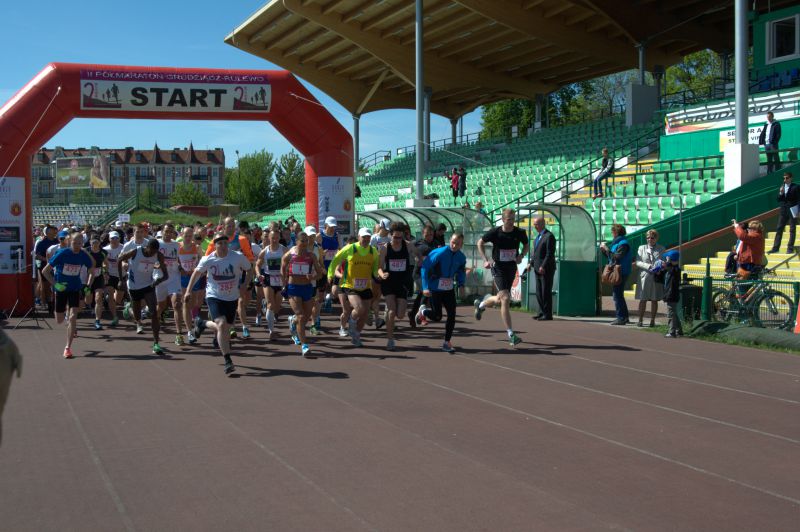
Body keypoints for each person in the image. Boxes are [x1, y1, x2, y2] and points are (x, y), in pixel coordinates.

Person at [187, 233, 252, 375]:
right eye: (220, 243)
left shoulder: (237, 256)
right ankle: (228, 360)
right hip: (214, 296)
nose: (223, 246)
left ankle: (202, 324)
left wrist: (245, 284)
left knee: (225, 329)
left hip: (232, 297)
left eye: (225, 243)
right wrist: (188, 291)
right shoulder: (208, 259)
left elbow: (249, 269)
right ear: (214, 245)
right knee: (222, 325)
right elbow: (196, 273)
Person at [474, 208, 529, 345]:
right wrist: (485, 260)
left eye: (513, 219)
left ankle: (481, 304)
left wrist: (521, 255)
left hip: (511, 268)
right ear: (503, 219)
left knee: (500, 299)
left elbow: (526, 245)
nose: (511, 222)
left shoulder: (520, 232)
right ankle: (511, 334)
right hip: (498, 267)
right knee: (505, 298)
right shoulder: (495, 232)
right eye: (509, 219)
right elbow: (480, 243)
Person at [41, 231, 95, 358]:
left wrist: (88, 285)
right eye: (75, 243)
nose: (77, 246)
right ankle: (65, 316)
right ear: (70, 242)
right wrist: (55, 285)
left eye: (80, 243)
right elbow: (45, 271)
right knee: (59, 320)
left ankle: (67, 348)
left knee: (73, 317)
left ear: (82, 243)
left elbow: (92, 270)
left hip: (75, 288)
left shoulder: (83, 255)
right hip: (61, 289)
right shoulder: (62, 253)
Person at [327, 227, 380, 347]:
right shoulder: (350, 248)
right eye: (364, 237)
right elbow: (335, 260)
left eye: (368, 237)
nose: (366, 239)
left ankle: (356, 335)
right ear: (359, 237)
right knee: (359, 308)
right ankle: (351, 321)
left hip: (366, 286)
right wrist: (330, 274)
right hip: (350, 285)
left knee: (365, 314)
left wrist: (379, 275)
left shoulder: (373, 251)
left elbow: (375, 269)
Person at [205, 217, 255, 339]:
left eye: (233, 225)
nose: (231, 228)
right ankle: (217, 332)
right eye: (229, 226)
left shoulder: (242, 240)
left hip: (236, 277)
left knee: (237, 302)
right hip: (218, 279)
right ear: (223, 226)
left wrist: (245, 268)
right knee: (218, 307)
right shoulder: (216, 240)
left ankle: (231, 327)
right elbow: (207, 258)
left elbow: (250, 258)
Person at [417, 232, 467, 352]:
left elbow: (461, 271)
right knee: (437, 316)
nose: (454, 246)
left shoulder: (461, 257)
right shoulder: (440, 252)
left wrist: (461, 285)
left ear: (461, 245)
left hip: (448, 289)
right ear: (450, 240)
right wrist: (425, 287)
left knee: (452, 315)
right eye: (453, 242)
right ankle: (423, 311)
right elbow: (425, 267)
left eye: (458, 244)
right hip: (435, 288)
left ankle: (447, 342)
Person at [118, 239, 169, 355]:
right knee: (137, 316)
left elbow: (166, 275)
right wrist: (121, 279)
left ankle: (156, 343)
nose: (152, 254)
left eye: (154, 252)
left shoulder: (158, 255)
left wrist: (158, 281)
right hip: (134, 286)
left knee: (154, 313)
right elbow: (119, 259)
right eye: (151, 251)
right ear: (147, 247)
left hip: (148, 286)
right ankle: (129, 310)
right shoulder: (136, 251)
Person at [282, 231, 325, 357]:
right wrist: (284, 281)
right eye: (302, 241)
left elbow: (320, 273)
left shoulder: (311, 256)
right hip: (293, 288)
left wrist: (313, 276)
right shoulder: (290, 254)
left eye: (307, 241)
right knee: (301, 316)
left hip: (307, 287)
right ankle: (304, 345)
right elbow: (283, 266)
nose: (305, 243)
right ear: (297, 241)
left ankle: (293, 321)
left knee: (306, 316)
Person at [377, 222, 416, 351]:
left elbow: (419, 256)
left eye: (400, 237)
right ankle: (390, 340)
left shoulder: (408, 245)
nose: (398, 240)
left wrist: (420, 262)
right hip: (389, 282)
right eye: (395, 237)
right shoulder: (385, 248)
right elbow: (379, 268)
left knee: (400, 315)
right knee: (392, 311)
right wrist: (382, 274)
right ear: (390, 235)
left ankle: (387, 313)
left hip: (402, 282)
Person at [156, 224, 186, 346]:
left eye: (171, 232)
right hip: (160, 278)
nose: (168, 234)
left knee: (177, 304)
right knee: (161, 306)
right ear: (162, 231)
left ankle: (179, 334)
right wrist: (155, 265)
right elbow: (149, 258)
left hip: (174, 278)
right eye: (166, 231)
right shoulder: (156, 243)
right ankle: (155, 325)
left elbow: (177, 259)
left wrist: (180, 267)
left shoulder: (176, 245)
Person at [255, 227, 287, 339]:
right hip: (268, 278)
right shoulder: (265, 251)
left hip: (280, 279)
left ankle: (267, 307)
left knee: (277, 307)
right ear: (269, 238)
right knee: (271, 305)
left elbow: (290, 262)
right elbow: (257, 265)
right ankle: (271, 331)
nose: (275, 240)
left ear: (279, 238)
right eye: (273, 238)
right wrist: (258, 274)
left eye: (277, 238)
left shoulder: (284, 250)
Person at [600, 224, 632, 325]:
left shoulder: (623, 243)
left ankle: (621, 317)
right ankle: (624, 317)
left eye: (612, 231)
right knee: (618, 295)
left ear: (616, 232)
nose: (611, 233)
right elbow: (611, 257)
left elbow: (617, 257)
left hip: (621, 271)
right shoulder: (617, 243)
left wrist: (606, 249)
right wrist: (604, 251)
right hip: (618, 270)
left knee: (617, 295)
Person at [634, 229, 665, 327]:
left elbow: (663, 261)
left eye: (652, 238)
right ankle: (640, 320)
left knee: (654, 299)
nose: (650, 239)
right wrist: (648, 266)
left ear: (656, 238)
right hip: (644, 277)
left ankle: (652, 320)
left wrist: (658, 267)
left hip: (656, 276)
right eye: (648, 238)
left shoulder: (661, 248)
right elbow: (638, 262)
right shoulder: (641, 248)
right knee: (643, 299)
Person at [177, 226, 203, 344]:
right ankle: (189, 331)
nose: (188, 238)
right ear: (181, 235)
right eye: (186, 235)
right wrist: (181, 269)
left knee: (193, 303)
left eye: (190, 236)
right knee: (186, 303)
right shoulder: (178, 247)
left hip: (194, 277)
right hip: (183, 278)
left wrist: (197, 270)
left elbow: (201, 260)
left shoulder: (197, 247)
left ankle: (192, 323)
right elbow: (175, 261)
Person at [409, 224, 438, 327]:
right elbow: (410, 249)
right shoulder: (418, 243)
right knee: (426, 292)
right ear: (423, 234)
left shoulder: (435, 243)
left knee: (422, 294)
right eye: (427, 235)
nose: (429, 237)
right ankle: (421, 316)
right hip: (418, 273)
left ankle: (412, 313)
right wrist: (415, 256)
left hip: (429, 274)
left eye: (431, 235)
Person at [530, 216, 556, 321]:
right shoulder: (537, 237)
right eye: (534, 224)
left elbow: (550, 254)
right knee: (539, 292)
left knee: (546, 291)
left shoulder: (549, 236)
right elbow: (535, 253)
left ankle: (548, 314)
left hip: (546, 269)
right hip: (537, 268)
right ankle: (541, 312)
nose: (534, 226)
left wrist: (543, 266)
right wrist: (530, 263)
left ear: (542, 224)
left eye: (536, 224)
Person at [369, 218, 392, 329]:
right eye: (386, 229)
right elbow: (370, 253)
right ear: (381, 227)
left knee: (384, 295)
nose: (387, 231)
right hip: (375, 270)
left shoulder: (389, 239)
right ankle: (373, 316)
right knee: (375, 295)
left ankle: (384, 319)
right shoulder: (374, 238)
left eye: (388, 230)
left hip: (387, 269)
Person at [769, 171, 798, 254]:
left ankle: (790, 248)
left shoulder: (796, 187)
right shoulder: (782, 187)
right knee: (779, 228)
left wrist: (799, 210)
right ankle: (775, 248)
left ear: (791, 178)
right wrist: (781, 192)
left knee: (792, 229)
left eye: (787, 178)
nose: (785, 179)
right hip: (783, 211)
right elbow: (778, 199)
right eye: (784, 178)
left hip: (793, 210)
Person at [85, 237, 108, 330]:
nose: (94, 244)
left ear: (99, 243)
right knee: (88, 300)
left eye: (96, 242)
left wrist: (105, 271)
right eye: (93, 242)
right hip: (87, 278)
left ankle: (97, 320)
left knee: (98, 298)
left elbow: (106, 263)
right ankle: (89, 306)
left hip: (99, 277)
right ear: (90, 242)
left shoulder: (103, 252)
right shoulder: (86, 251)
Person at [34, 225, 59, 314]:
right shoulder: (41, 243)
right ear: (47, 233)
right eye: (51, 231)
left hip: (57, 267)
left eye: (54, 231)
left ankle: (56, 305)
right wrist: (48, 260)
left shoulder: (57, 241)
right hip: (45, 267)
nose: (54, 232)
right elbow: (37, 256)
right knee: (46, 287)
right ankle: (49, 305)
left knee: (56, 285)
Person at [659, 250, 683, 338]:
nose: (665, 260)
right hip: (670, 294)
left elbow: (671, 269)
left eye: (667, 259)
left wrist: (668, 262)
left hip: (672, 294)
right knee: (674, 313)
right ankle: (679, 330)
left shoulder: (675, 270)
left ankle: (672, 331)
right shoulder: (671, 270)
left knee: (671, 314)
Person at [103, 231, 124, 326]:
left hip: (121, 275)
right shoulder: (105, 249)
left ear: (119, 239)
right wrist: (105, 270)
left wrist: (125, 265)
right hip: (110, 275)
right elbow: (102, 262)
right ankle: (115, 317)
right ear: (109, 239)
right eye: (112, 238)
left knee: (118, 299)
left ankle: (110, 301)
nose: (114, 240)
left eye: (116, 238)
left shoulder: (123, 248)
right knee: (111, 294)